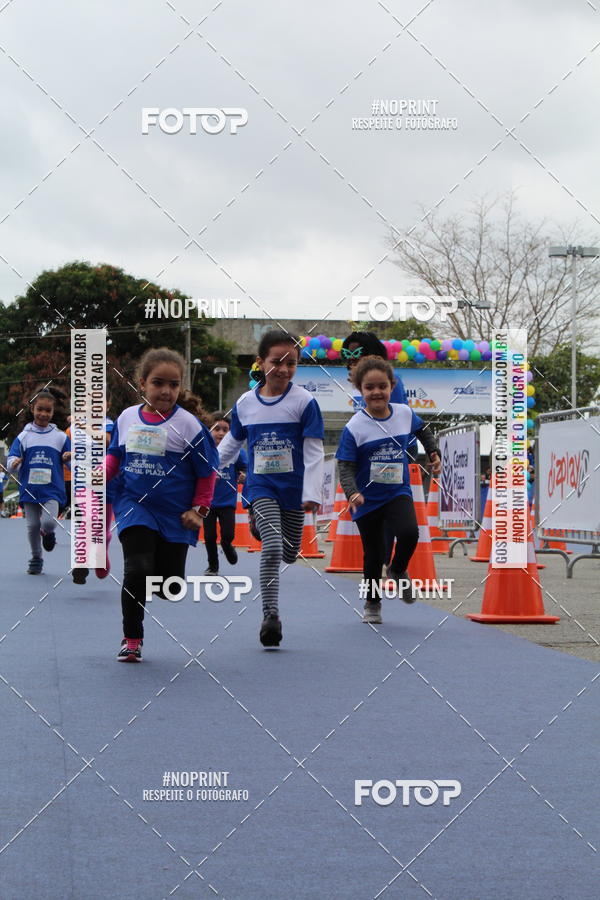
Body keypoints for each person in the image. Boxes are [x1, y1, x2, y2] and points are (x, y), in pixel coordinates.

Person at [105, 348, 218, 662]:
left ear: (180, 387)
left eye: (173, 384)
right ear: (143, 383)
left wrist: (199, 510)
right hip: (134, 504)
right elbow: (116, 454)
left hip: (176, 514)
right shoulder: (127, 417)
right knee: (137, 568)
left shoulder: (189, 425)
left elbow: (206, 472)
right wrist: (102, 474)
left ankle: (156, 580)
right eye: (158, 383)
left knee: (170, 586)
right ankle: (132, 638)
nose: (166, 390)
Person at [217, 330, 324, 648]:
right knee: (274, 547)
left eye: (291, 363)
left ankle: (263, 527)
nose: (283, 369)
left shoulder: (305, 402)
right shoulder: (245, 403)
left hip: (293, 489)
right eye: (276, 362)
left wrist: (312, 493)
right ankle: (270, 617)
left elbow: (315, 450)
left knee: (290, 553)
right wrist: (206, 470)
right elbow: (232, 444)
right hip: (260, 485)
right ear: (261, 363)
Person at [335, 356, 441, 624]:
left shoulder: (404, 414)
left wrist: (433, 450)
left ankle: (397, 569)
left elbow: (423, 430)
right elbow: (345, 466)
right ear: (361, 390)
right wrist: (352, 493)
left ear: (391, 387)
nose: (376, 392)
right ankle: (372, 603)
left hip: (397, 491)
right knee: (373, 553)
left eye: (382, 386)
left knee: (409, 533)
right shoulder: (354, 427)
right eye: (370, 387)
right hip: (367, 499)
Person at [342, 331, 417, 565]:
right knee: (374, 510)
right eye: (348, 356)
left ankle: (388, 562)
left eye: (357, 355)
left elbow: (400, 419)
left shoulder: (386, 382)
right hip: (368, 452)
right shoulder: (361, 383)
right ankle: (380, 560)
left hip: (393, 449)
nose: (352, 361)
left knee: (388, 507)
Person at [7, 388, 71, 574]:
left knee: (48, 523)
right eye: (39, 409)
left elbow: (72, 463)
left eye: (47, 411)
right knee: (32, 526)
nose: (43, 414)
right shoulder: (23, 436)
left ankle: (48, 533)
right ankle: (36, 557)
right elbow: (11, 460)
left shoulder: (60, 437)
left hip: (52, 489)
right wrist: (15, 463)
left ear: (52, 412)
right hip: (30, 489)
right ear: (32, 409)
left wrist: (68, 459)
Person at [203, 412, 247, 575]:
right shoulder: (204, 452)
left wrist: (244, 476)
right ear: (209, 431)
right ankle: (213, 566)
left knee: (227, 534)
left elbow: (247, 468)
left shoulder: (237, 453)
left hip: (227, 503)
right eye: (217, 429)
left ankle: (227, 546)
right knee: (209, 536)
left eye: (225, 430)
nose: (221, 433)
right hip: (207, 502)